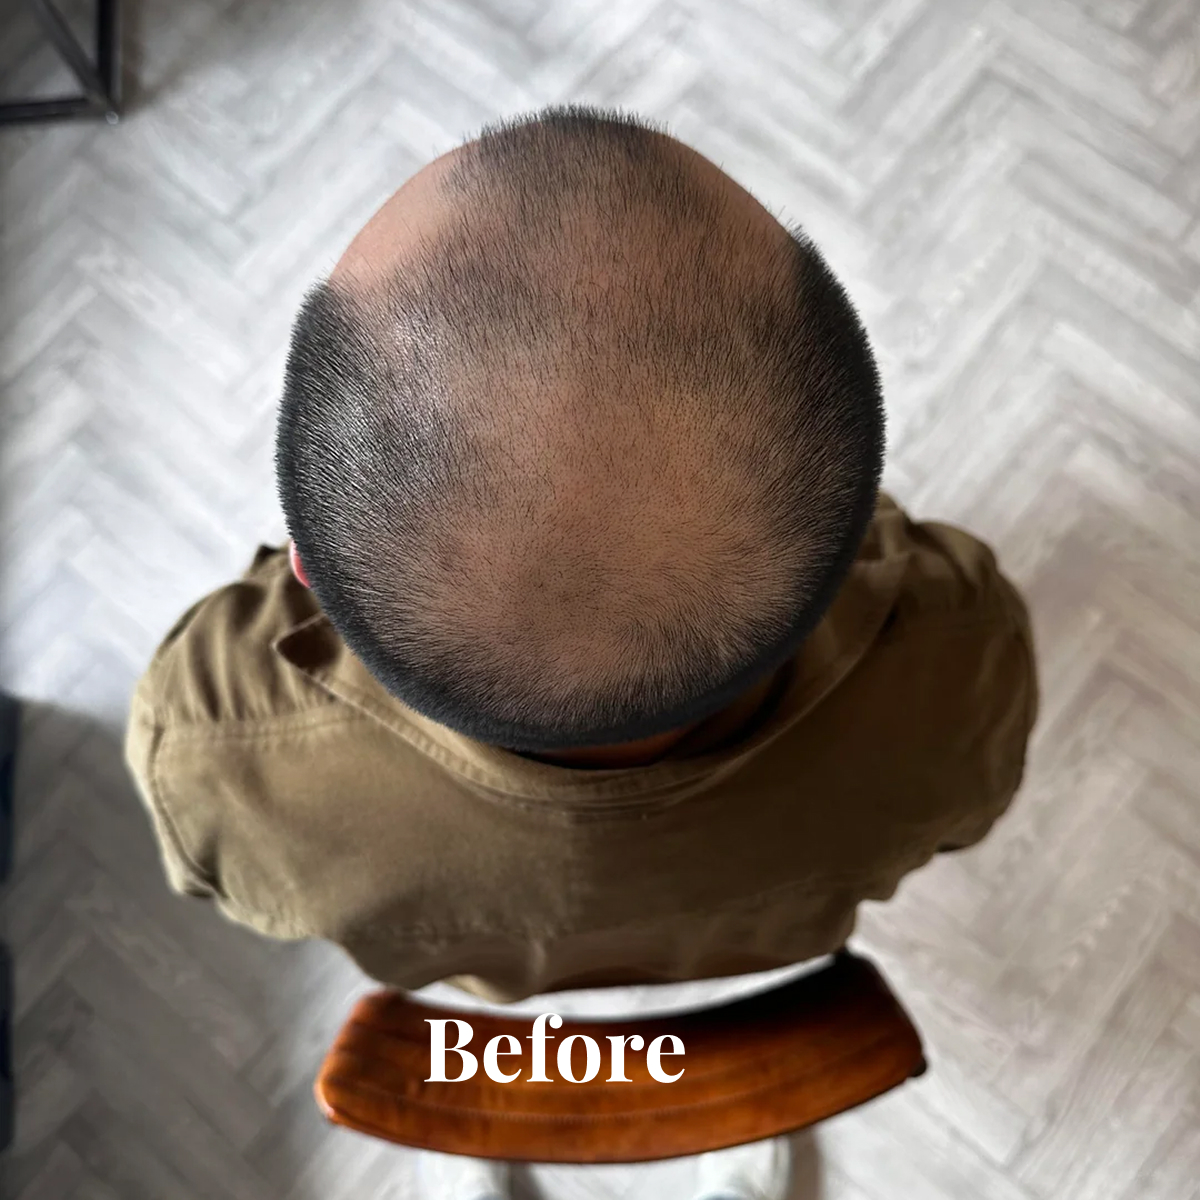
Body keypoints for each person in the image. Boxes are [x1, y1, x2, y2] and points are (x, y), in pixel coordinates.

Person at [125, 104, 1038, 1200]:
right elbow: (968, 813)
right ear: (848, 537)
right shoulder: (959, 649)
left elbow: (216, 877)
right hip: (772, 975)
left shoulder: (213, 755)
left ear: (309, 571)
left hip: (490, 1011)